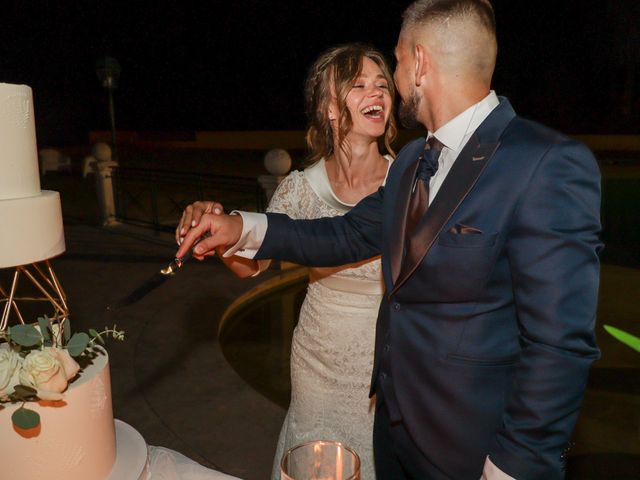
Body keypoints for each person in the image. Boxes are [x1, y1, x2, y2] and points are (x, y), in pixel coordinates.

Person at [177, 1, 602, 478]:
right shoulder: (413, 161)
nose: (392, 80)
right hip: (392, 436)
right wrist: (241, 228)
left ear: (419, 63)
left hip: (470, 453)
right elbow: (344, 233)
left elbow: (559, 345)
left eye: (396, 63)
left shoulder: (545, 162)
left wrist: (512, 465)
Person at [177, 44, 397, 480]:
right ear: (331, 109)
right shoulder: (300, 189)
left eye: (382, 85)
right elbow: (251, 267)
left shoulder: (409, 181)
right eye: (359, 86)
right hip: (318, 360)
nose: (377, 93)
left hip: (389, 359)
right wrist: (215, 234)